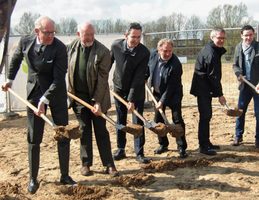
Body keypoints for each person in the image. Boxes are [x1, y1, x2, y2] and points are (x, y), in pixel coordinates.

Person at [1, 16, 76, 194]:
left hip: (55, 94)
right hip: (34, 92)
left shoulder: (59, 48)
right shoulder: (26, 41)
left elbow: (59, 78)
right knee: (34, 137)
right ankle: (33, 178)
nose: (50, 36)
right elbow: (16, 59)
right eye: (46, 33)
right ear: (37, 32)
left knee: (63, 133)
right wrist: (9, 79)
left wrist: (45, 99)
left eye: (52, 32)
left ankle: (64, 175)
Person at [66, 22, 119, 177]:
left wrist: (97, 101)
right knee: (84, 131)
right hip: (78, 97)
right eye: (86, 34)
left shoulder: (102, 51)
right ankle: (86, 164)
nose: (89, 38)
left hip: (98, 97)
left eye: (92, 34)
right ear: (78, 34)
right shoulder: (70, 48)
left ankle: (109, 165)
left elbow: (103, 79)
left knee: (101, 131)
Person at [110, 22, 150, 164]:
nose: (136, 40)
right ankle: (121, 149)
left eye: (139, 37)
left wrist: (131, 99)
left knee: (137, 121)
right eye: (133, 37)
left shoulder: (144, 52)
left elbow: (139, 77)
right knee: (120, 120)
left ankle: (139, 152)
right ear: (126, 35)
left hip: (136, 90)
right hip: (119, 88)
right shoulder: (116, 46)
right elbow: (108, 64)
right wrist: (102, 83)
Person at [145, 38, 187, 158]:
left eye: (170, 51)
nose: (168, 53)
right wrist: (145, 76)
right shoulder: (152, 55)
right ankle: (163, 144)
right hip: (157, 93)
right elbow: (148, 68)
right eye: (165, 51)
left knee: (177, 119)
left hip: (173, 94)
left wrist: (162, 101)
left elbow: (171, 87)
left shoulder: (176, 65)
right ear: (158, 50)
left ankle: (181, 146)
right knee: (159, 120)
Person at [231, 25, 259, 149]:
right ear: (242, 36)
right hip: (245, 86)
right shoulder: (238, 47)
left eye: (250, 35)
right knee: (240, 111)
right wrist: (238, 74)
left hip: (258, 86)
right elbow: (235, 65)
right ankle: (238, 136)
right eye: (246, 35)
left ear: (254, 35)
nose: (248, 37)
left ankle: (258, 140)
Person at [190, 27, 227, 156]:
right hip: (203, 89)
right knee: (205, 116)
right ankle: (203, 146)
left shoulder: (213, 50)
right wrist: (220, 95)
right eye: (219, 38)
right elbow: (213, 77)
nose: (221, 40)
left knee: (207, 116)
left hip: (205, 88)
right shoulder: (210, 54)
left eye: (223, 38)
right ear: (212, 38)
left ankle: (207, 142)